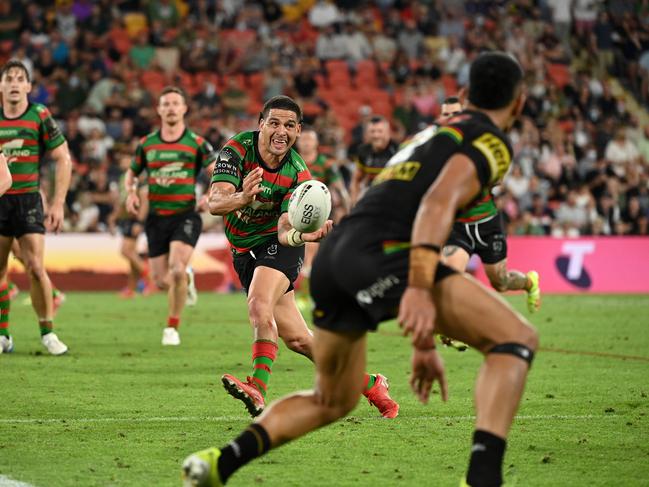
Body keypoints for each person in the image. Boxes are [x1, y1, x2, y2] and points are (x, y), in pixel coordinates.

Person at [183, 52, 539, 487]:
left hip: (338, 257)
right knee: (517, 339)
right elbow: (438, 204)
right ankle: (483, 479)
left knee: (331, 398)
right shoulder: (489, 142)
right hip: (384, 255)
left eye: (290, 125)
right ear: (518, 104)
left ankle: (221, 463)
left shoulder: (429, 137)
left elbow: (294, 226)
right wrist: (421, 299)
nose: (281, 133)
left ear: (463, 96)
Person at [206, 95, 399, 419]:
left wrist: (301, 236)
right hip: (243, 251)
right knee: (298, 339)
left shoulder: (298, 175)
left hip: (278, 246)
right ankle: (371, 384)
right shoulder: (236, 150)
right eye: (275, 123)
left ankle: (258, 386)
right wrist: (243, 197)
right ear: (261, 125)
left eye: (290, 126)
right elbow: (215, 202)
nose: (282, 131)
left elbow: (283, 231)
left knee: (259, 304)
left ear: (298, 132)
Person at [125, 86, 215, 346]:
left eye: (176, 103)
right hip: (156, 218)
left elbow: (218, 173)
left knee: (175, 269)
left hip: (185, 215)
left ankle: (172, 328)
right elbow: (131, 174)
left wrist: (209, 196)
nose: (171, 108)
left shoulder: (197, 143)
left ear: (185, 108)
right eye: (166, 104)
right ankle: (186, 277)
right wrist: (131, 193)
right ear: (159, 110)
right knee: (162, 281)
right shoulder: (147, 144)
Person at [438, 97, 541, 313]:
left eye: (454, 113)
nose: (450, 118)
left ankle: (529, 283)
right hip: (458, 227)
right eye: (446, 114)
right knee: (450, 276)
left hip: (487, 225)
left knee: (500, 282)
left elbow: (498, 177)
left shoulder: (481, 142)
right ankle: (454, 329)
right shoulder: (435, 146)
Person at [0, 59, 72, 355]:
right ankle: (3, 335)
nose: (14, 83)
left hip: (28, 199)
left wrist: (58, 202)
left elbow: (63, 158)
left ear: (28, 87)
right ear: (1, 86)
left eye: (20, 78)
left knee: (35, 266)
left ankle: (47, 332)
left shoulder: (38, 115)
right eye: (9, 78)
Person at [294, 126, 350, 314]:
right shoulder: (292, 162)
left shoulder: (325, 164)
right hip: (292, 216)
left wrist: (347, 211)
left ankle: (307, 295)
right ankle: (305, 295)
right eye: (304, 139)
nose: (307, 143)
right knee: (305, 257)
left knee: (312, 255)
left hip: (320, 217)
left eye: (310, 140)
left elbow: (340, 188)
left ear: (317, 143)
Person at [111, 150, 151, 298]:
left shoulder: (138, 176)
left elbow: (144, 200)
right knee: (132, 253)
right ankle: (131, 288)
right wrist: (114, 217)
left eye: (125, 159)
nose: (121, 161)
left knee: (126, 251)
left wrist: (139, 222)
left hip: (134, 219)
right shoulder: (124, 177)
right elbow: (123, 201)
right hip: (126, 218)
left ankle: (150, 277)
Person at [349, 115, 398, 206]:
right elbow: (356, 179)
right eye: (372, 131)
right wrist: (354, 201)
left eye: (380, 131)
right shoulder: (363, 151)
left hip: (393, 196)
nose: (376, 135)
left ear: (388, 133)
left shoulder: (398, 150)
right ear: (367, 133)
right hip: (372, 195)